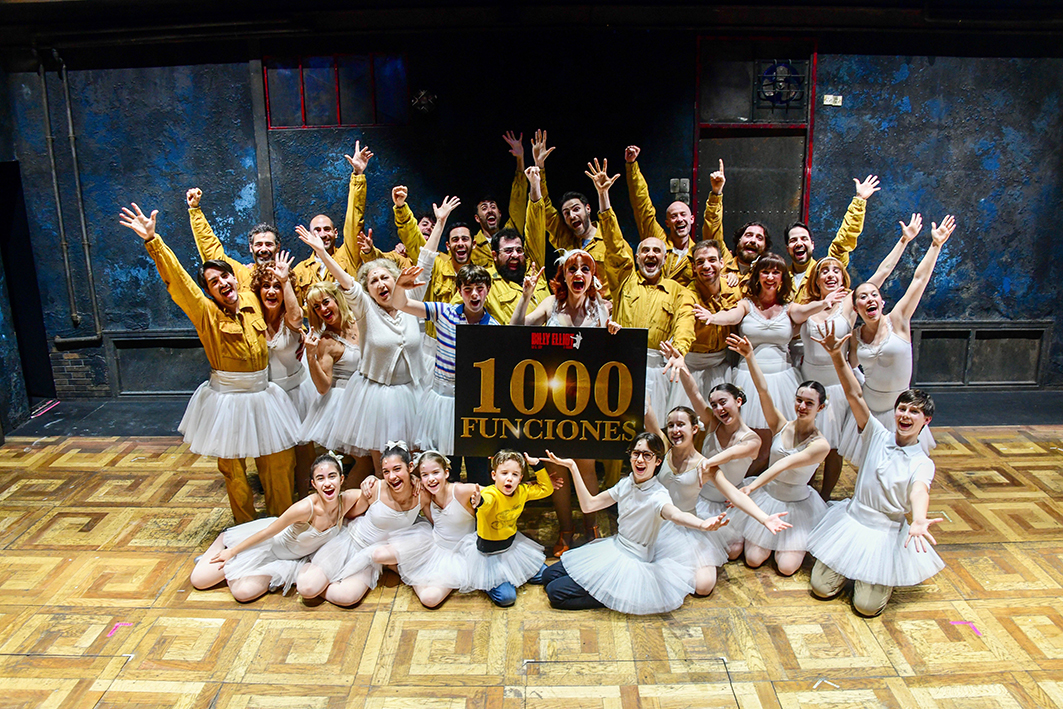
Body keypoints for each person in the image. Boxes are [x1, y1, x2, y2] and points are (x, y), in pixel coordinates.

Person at [119, 203, 299, 523]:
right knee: (234, 471)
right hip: (227, 400)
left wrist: (303, 338)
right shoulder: (205, 313)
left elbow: (286, 313)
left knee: (279, 461)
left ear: (235, 277)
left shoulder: (251, 298)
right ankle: (244, 529)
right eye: (214, 282)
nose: (223, 283)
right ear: (209, 291)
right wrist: (153, 241)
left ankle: (282, 525)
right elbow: (179, 282)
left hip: (263, 395)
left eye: (225, 276)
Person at [807, 321, 944, 617]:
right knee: (820, 589)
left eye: (914, 412)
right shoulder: (876, 434)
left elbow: (920, 491)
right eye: (902, 409)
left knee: (866, 608)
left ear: (926, 421)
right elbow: (855, 395)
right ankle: (850, 570)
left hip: (884, 532)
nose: (905, 415)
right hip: (853, 520)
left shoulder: (922, 462)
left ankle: (875, 578)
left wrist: (919, 519)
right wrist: (836, 357)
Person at [799, 215, 920, 498]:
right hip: (810, 382)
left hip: (839, 387)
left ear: (843, 278)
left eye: (836, 271)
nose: (830, 274)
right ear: (816, 279)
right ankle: (805, 495)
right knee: (807, 443)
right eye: (824, 271)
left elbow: (883, 272)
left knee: (834, 448)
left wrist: (904, 241)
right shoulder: (806, 305)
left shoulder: (850, 303)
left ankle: (825, 497)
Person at [511, 239, 620, 555]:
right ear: (564, 275)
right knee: (556, 468)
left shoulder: (601, 308)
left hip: (587, 398)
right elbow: (515, 329)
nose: (579, 273)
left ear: (591, 276)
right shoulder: (550, 304)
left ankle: (592, 528)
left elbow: (611, 354)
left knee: (586, 466)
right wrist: (526, 296)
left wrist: (614, 333)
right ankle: (566, 530)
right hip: (551, 397)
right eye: (573, 268)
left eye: (585, 269)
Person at [694, 252, 846, 474]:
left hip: (782, 380)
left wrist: (824, 303)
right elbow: (732, 316)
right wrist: (713, 317)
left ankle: (763, 484)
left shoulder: (789, 307)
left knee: (773, 442)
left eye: (776, 272)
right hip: (748, 377)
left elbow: (803, 312)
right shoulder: (746, 304)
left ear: (782, 278)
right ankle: (740, 482)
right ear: (757, 276)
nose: (770, 277)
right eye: (765, 271)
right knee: (748, 440)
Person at [298, 223, 429, 472]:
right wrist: (322, 253)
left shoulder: (409, 302)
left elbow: (426, 263)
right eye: (373, 281)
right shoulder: (365, 309)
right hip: (378, 398)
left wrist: (440, 223)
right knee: (383, 469)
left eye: (384, 278)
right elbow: (347, 283)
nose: (380, 284)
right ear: (367, 290)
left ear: (397, 280)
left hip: (412, 394)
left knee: (412, 466)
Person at [592, 157, 695, 421]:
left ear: (665, 257)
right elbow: (614, 241)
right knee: (620, 428)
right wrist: (603, 196)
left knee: (656, 429)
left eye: (656, 251)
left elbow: (685, 324)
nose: (651, 254)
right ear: (637, 257)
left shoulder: (679, 291)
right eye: (645, 250)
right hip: (622, 364)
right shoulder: (624, 279)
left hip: (660, 370)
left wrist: (679, 351)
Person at [845, 215, 956, 458]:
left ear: (881, 302)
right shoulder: (855, 336)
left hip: (900, 410)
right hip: (870, 409)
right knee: (870, 464)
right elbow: (849, 367)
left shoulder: (898, 320)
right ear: (856, 308)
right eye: (863, 297)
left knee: (902, 462)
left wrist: (935, 245)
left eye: (874, 294)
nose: (870, 299)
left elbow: (919, 280)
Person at [647, 405, 787, 595]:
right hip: (658, 522)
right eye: (671, 425)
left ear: (694, 429)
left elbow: (735, 494)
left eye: (681, 424)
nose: (675, 430)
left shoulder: (705, 466)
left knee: (704, 587)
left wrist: (764, 518)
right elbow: (648, 412)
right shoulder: (663, 448)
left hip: (688, 525)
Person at [190, 453, 358, 601]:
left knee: (243, 594)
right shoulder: (304, 508)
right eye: (321, 479)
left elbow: (370, 494)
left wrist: (370, 481)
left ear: (341, 479)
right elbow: (267, 533)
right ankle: (225, 542)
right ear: (314, 484)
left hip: (288, 560)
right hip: (266, 547)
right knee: (199, 580)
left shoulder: (346, 500)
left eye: (332, 476)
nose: (327, 483)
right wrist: (232, 552)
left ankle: (240, 574)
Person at [392, 253, 498, 485]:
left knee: (479, 472)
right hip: (443, 402)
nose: (474, 294)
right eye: (468, 289)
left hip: (474, 406)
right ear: (459, 290)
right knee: (446, 469)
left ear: (488, 290)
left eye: (480, 288)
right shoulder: (444, 312)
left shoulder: (493, 327)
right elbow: (401, 304)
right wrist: (400, 287)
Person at [730, 334, 831, 576]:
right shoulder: (781, 424)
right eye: (799, 400)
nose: (802, 407)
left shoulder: (820, 445)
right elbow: (763, 391)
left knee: (786, 568)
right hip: (768, 497)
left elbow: (782, 465)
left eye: (809, 403)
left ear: (820, 407)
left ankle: (792, 544)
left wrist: (750, 488)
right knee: (753, 559)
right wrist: (750, 356)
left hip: (797, 507)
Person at [298, 442, 421, 606]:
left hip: (369, 558)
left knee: (347, 598)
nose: (392, 476)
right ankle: (305, 569)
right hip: (349, 542)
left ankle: (324, 581)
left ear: (410, 467)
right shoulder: (375, 488)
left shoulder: (421, 493)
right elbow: (351, 513)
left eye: (397, 469)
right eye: (386, 471)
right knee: (307, 589)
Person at [667, 359, 761, 561]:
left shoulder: (752, 439)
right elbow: (694, 393)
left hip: (729, 502)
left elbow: (733, 453)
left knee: (733, 551)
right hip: (701, 500)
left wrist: (708, 462)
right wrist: (682, 366)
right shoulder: (712, 422)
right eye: (714, 405)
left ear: (738, 401)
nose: (718, 409)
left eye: (723, 402)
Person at [371, 452, 480, 608]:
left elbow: (496, 491)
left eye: (435, 473)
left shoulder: (461, 491)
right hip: (432, 545)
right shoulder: (426, 494)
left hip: (457, 555)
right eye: (425, 475)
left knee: (429, 599)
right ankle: (408, 569)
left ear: (446, 473)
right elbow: (400, 481)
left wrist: (482, 501)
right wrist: (371, 479)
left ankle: (410, 574)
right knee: (378, 555)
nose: (431, 479)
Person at [250, 252, 319, 497]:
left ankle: (306, 502)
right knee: (272, 454)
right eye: (266, 286)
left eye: (276, 286)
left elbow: (297, 317)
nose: (271, 291)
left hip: (295, 393)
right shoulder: (252, 319)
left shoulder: (290, 318)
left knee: (303, 453)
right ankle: (280, 503)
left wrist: (285, 280)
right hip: (267, 397)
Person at [459, 450, 560, 607]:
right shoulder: (490, 493)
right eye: (504, 473)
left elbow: (546, 489)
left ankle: (514, 574)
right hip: (490, 556)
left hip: (511, 548)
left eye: (515, 475)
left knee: (547, 575)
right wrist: (479, 501)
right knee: (507, 598)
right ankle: (488, 582)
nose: (509, 478)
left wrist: (537, 465)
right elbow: (486, 503)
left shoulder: (522, 491)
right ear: (494, 475)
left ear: (520, 478)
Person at [529, 130, 611, 300]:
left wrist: (613, 304)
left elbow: (624, 276)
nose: (572, 215)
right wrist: (539, 166)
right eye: (566, 213)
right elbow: (546, 210)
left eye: (576, 209)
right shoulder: (565, 240)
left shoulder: (609, 238)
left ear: (588, 209)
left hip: (604, 310)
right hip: (573, 308)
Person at [291, 142, 374, 308]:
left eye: (327, 229)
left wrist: (357, 175)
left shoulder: (348, 255)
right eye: (317, 230)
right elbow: (297, 312)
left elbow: (354, 219)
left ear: (336, 233)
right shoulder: (300, 271)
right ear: (309, 235)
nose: (323, 234)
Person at [299, 281, 365, 464]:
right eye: (316, 307)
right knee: (363, 462)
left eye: (325, 302)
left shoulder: (358, 321)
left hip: (367, 396)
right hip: (344, 405)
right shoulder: (326, 342)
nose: (323, 309)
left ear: (337, 299)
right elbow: (323, 387)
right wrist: (310, 356)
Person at [785, 175, 880, 304]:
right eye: (793, 240)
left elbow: (842, 243)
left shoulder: (825, 271)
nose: (799, 243)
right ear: (787, 248)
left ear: (812, 244)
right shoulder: (779, 278)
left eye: (804, 239)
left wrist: (859, 201)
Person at [672, 239, 742, 412]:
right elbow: (684, 323)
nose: (706, 266)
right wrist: (679, 350)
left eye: (712, 260)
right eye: (700, 262)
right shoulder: (688, 294)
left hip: (721, 365)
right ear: (694, 268)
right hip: (692, 366)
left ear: (722, 263)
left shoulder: (733, 289)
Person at [482, 165, 552, 324]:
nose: (515, 255)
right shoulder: (485, 282)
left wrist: (535, 186)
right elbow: (456, 310)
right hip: (510, 340)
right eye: (508, 250)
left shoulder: (535, 271)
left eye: (519, 250)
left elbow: (535, 227)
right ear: (495, 255)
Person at [623, 144, 695, 286]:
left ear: (692, 219)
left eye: (683, 214)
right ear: (667, 223)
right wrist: (632, 167)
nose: (679, 219)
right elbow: (643, 207)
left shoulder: (697, 254)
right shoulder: (657, 240)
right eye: (674, 216)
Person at [184, 187, 280, 291]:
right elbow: (212, 252)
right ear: (251, 247)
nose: (264, 249)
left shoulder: (288, 277)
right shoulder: (242, 274)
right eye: (258, 245)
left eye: (269, 244)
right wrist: (195, 211)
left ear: (278, 247)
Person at [701, 160, 768, 287]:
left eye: (759, 238)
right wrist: (716, 193)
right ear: (738, 241)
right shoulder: (724, 262)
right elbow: (712, 229)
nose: (753, 241)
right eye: (748, 235)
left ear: (765, 247)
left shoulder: (767, 274)